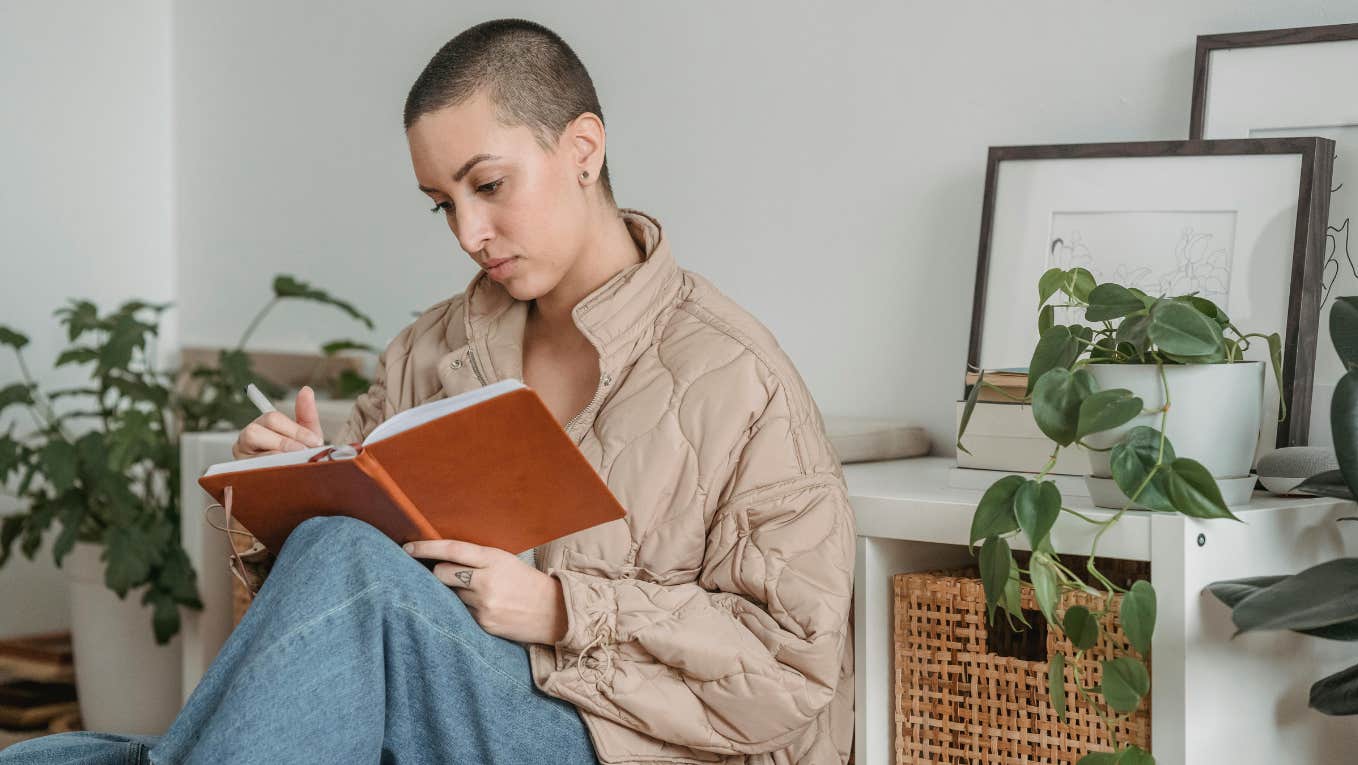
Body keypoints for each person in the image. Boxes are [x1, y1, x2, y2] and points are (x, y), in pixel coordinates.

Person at [1, 18, 855, 765]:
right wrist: (297, 491)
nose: (469, 233)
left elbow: (792, 668)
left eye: (487, 186)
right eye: (440, 204)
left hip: (623, 743)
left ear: (583, 150)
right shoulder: (431, 347)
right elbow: (327, 645)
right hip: (435, 709)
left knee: (343, 567)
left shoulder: (738, 376)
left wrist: (562, 607)